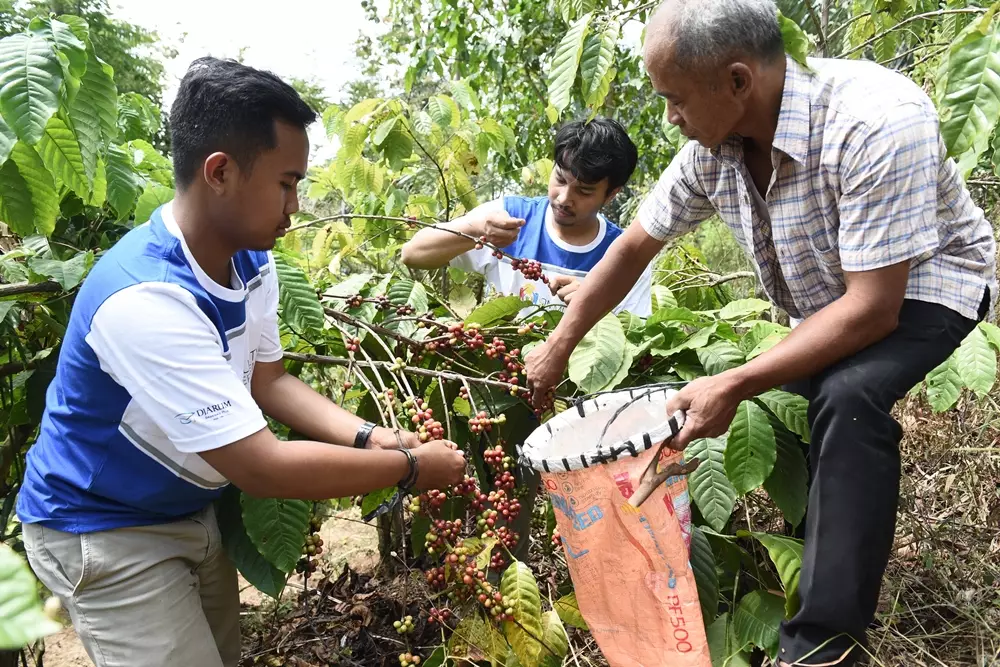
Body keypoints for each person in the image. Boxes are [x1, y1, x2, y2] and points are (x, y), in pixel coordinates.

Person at [524, 1, 997, 664]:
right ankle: (814, 551)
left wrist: (736, 382)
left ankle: (822, 647)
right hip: (836, 299)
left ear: (738, 81)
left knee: (848, 397)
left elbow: (873, 309)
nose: (670, 117)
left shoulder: (877, 120)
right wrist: (557, 347)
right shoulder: (713, 150)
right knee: (794, 397)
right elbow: (631, 249)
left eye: (675, 99)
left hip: (927, 282)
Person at [15, 57, 466, 667]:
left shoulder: (250, 259)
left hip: (183, 505)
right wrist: (408, 468)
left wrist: (369, 436)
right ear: (221, 172)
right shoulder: (146, 299)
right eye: (286, 183)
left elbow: (267, 380)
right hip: (104, 527)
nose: (296, 204)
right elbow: (263, 467)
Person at [400, 118, 654, 317]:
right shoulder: (508, 217)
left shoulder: (625, 256)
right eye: (560, 179)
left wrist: (593, 306)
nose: (564, 198)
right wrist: (477, 230)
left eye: (584, 191)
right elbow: (413, 254)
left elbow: (635, 342)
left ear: (611, 195)